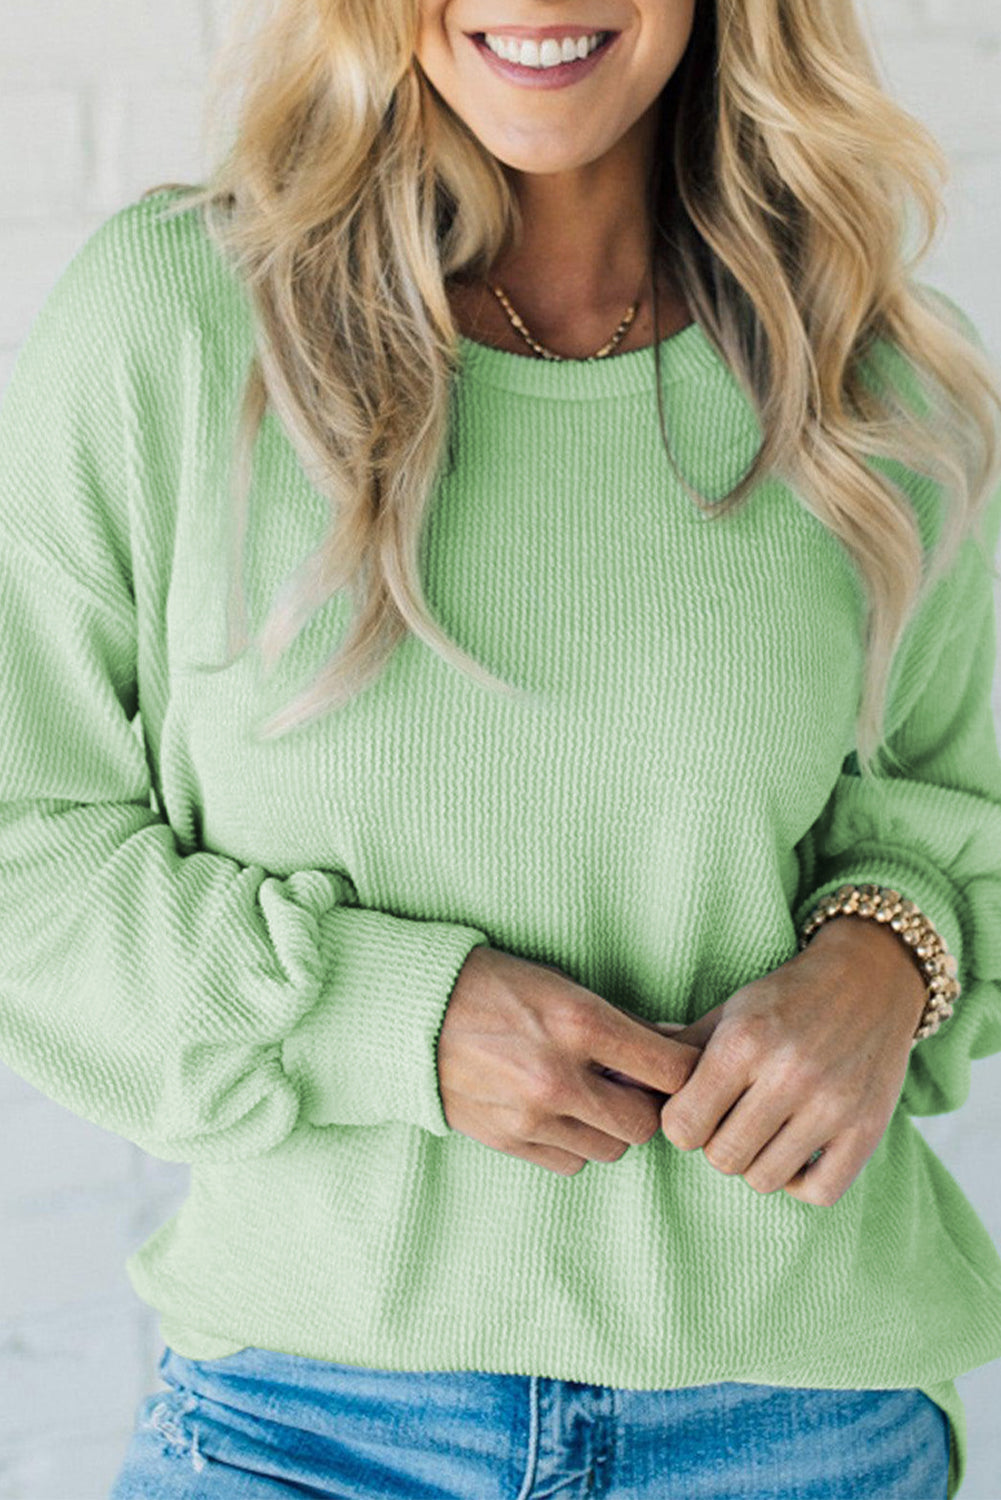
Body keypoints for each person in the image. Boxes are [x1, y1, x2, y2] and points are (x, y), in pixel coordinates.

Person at [1, 0, 1000, 1495]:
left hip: (797, 1430)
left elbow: (959, 812)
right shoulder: (178, 324)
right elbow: (29, 851)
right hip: (302, 1429)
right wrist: (385, 1015)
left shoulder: (878, 379)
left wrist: (882, 954)